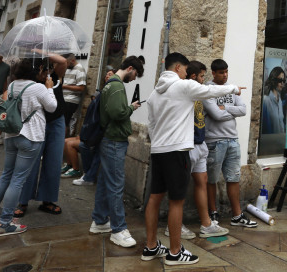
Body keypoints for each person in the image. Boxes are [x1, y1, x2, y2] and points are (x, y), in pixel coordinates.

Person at [142, 53, 242, 265]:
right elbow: (209, 90)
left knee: (154, 197)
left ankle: (151, 246)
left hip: (158, 150)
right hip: (177, 150)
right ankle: (175, 252)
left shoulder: (154, 94)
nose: (187, 74)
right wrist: (233, 88)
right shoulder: (182, 86)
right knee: (177, 201)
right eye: (186, 70)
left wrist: (159, 141)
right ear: (178, 67)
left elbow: (150, 124)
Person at [0, 55, 58, 236]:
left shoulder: (13, 85)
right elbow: (52, 107)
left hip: (11, 135)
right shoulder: (37, 87)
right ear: (36, 71)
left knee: (6, 175)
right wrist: (49, 88)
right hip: (30, 136)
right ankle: (5, 222)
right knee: (18, 179)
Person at [90, 56, 144, 248]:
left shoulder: (111, 84)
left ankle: (99, 220)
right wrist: (131, 107)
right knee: (115, 184)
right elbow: (117, 113)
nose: (134, 78)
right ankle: (119, 229)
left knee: (106, 181)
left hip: (110, 139)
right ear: (130, 68)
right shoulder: (117, 86)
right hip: (114, 140)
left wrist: (128, 107)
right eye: (135, 73)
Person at [174, 61, 229, 240]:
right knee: (180, 186)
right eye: (202, 76)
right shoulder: (185, 91)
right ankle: (175, 225)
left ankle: (206, 224)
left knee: (202, 181)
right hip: (187, 144)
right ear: (193, 77)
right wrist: (233, 89)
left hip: (200, 142)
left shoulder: (199, 93)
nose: (204, 80)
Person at [205, 59, 258, 229]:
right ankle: (212, 212)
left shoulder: (232, 89)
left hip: (232, 140)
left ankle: (237, 215)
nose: (225, 75)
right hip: (215, 141)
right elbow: (215, 115)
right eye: (221, 72)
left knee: (233, 178)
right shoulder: (207, 90)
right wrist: (229, 111)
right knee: (211, 179)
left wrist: (224, 110)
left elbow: (243, 110)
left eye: (226, 71)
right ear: (213, 73)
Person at [16, 53, 68, 218]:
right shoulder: (31, 81)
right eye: (46, 67)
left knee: (53, 160)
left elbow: (63, 61)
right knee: (30, 161)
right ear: (39, 68)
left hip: (56, 121)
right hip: (36, 123)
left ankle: (48, 199)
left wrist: (44, 53)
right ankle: (22, 201)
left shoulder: (54, 76)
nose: (50, 70)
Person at [61, 54, 87, 136]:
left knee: (64, 122)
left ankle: (64, 142)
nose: (66, 64)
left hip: (71, 100)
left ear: (72, 60)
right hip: (63, 98)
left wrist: (64, 86)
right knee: (61, 122)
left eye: (67, 62)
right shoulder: (67, 68)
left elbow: (81, 88)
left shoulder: (80, 69)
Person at [261, 66, 286, 134]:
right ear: (274, 80)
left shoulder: (280, 100)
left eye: (283, 80)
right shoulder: (266, 100)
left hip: (280, 141)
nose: (282, 83)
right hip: (270, 142)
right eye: (280, 80)